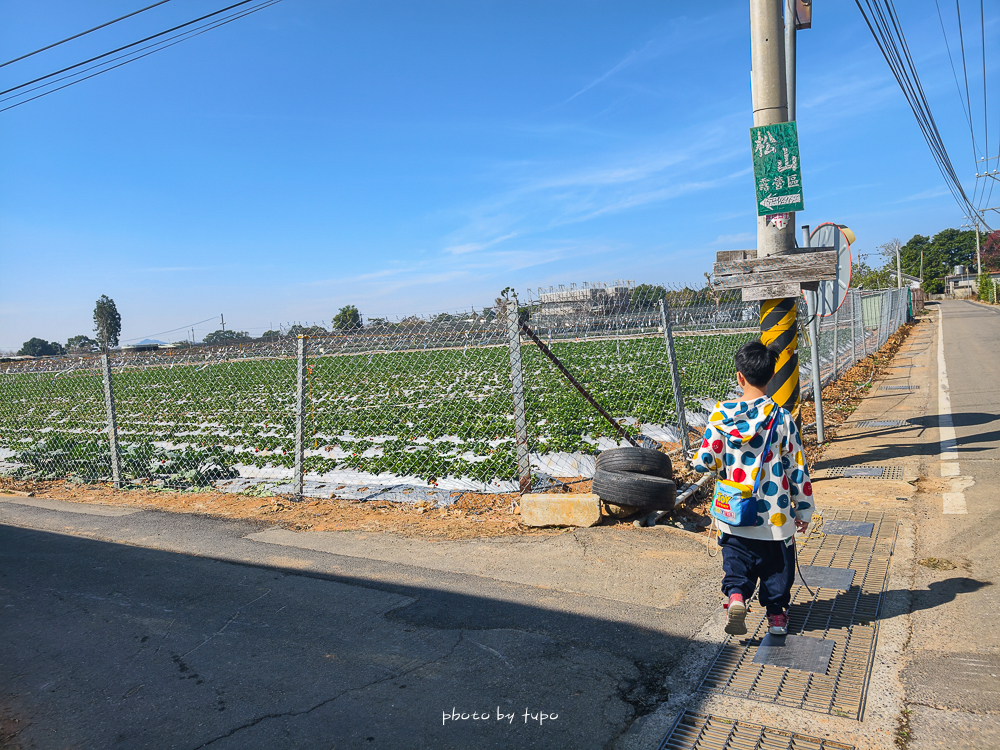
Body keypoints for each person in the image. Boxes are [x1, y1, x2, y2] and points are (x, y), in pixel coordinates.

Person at [692, 340, 815, 637]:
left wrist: (705, 460)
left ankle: (736, 597)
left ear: (739, 376)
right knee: (777, 569)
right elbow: (796, 467)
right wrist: (804, 509)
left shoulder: (720, 417)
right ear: (772, 376)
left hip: (733, 513)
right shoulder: (781, 418)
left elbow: (707, 460)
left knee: (736, 562)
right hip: (774, 516)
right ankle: (775, 616)